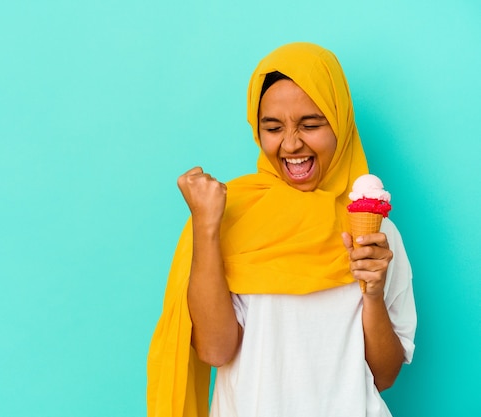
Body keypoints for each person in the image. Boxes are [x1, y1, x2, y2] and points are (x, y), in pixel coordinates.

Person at [147, 42, 416, 417]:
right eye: (273, 127)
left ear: (339, 121)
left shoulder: (377, 234)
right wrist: (206, 226)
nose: (291, 144)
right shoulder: (230, 218)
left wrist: (372, 294)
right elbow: (215, 350)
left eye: (311, 124)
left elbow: (384, 375)